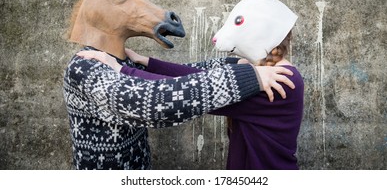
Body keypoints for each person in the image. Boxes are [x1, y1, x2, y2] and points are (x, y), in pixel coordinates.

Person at [77, 31, 304, 170]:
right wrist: (145, 61)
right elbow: (194, 76)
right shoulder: (256, 70)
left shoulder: (276, 81)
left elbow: (182, 92)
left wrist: (120, 69)